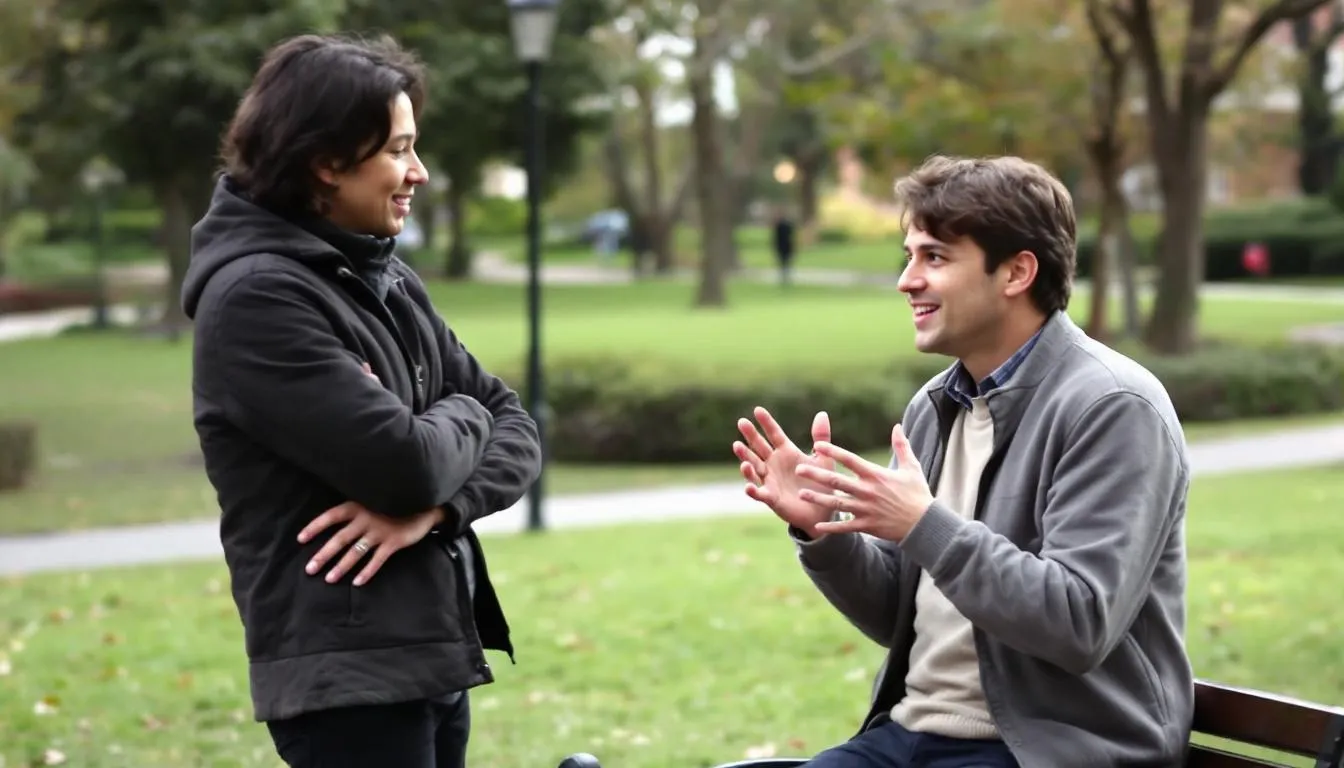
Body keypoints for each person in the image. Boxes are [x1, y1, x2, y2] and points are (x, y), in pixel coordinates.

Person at [732, 155, 1192, 767]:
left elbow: (1079, 623)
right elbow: (899, 615)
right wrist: (825, 534)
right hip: (908, 737)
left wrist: (924, 525)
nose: (907, 279)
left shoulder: (1112, 408)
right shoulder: (935, 406)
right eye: (909, 254)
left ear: (1016, 272)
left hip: (1047, 750)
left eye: (935, 257)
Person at [182, 33, 542, 768]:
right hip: (347, 675)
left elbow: (519, 428)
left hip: (429, 648)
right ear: (325, 162)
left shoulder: (385, 275)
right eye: (398, 150)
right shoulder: (259, 298)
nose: (420, 172)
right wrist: (460, 418)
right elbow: (405, 464)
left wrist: (439, 509)